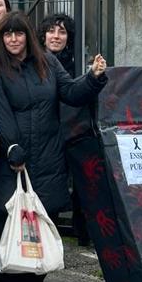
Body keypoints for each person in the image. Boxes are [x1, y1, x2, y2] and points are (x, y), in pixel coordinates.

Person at [0, 11, 107, 282]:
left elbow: (70, 93)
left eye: (18, 33)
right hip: (10, 157)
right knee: (7, 221)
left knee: (40, 222)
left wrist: (93, 78)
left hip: (48, 156)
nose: (13, 39)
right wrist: (11, 147)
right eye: (7, 34)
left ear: (27, 36)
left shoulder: (47, 62)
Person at [38, 12, 93, 247]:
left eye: (62, 32)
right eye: (51, 30)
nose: (56, 36)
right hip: (45, 132)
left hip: (74, 130)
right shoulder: (34, 61)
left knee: (80, 183)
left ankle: (83, 234)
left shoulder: (78, 61)